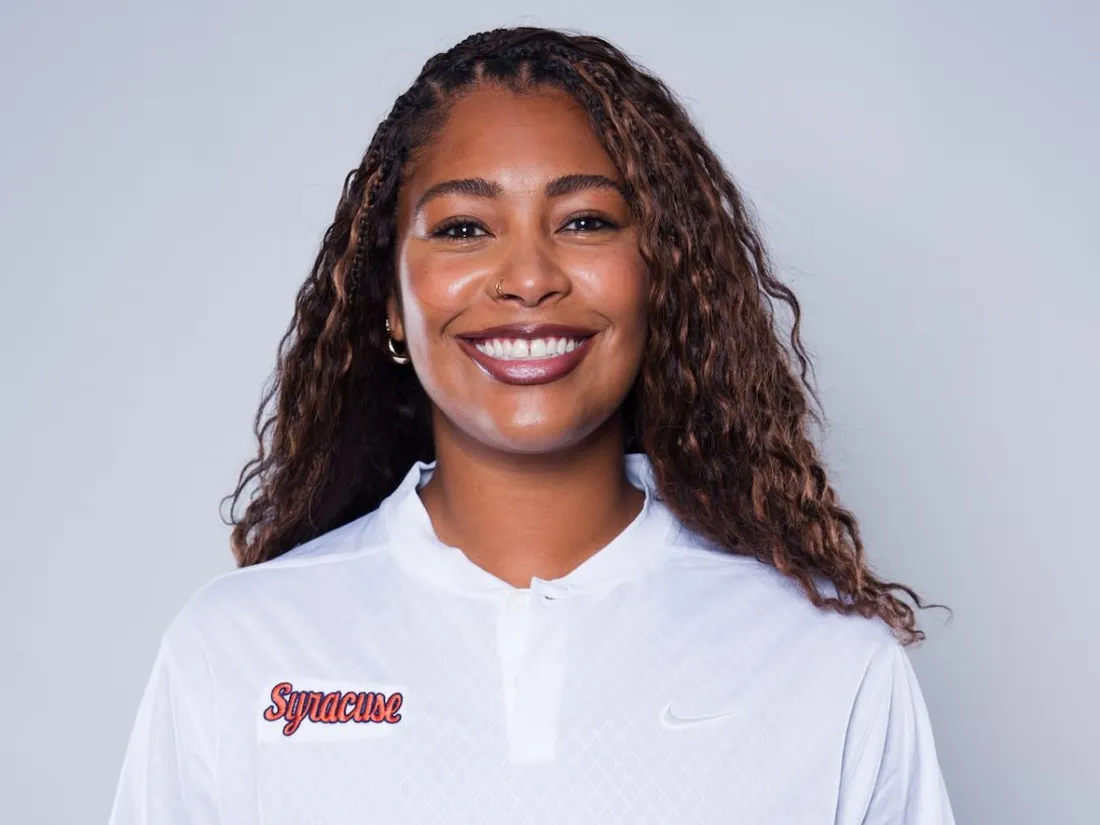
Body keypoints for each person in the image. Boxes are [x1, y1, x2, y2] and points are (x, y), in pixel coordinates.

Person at [108, 25, 956, 824]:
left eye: (584, 221)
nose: (527, 276)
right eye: (463, 228)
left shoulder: (827, 660)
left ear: (660, 274)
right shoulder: (237, 651)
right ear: (390, 302)